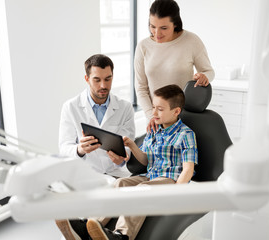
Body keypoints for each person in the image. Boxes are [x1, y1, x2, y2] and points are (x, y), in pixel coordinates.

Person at [57, 84, 198, 240]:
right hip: (150, 176)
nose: (154, 113)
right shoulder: (154, 130)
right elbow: (146, 159)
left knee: (142, 189)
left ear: (176, 111)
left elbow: (188, 170)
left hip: (170, 180)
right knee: (120, 184)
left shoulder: (185, 134)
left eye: (160, 109)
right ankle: (90, 226)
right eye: (153, 107)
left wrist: (178, 194)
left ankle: (121, 235)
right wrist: (131, 145)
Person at [135, 0, 215, 133]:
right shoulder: (143, 46)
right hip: (155, 120)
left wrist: (204, 76)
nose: (157, 33)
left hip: (183, 118)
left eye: (164, 28)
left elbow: (209, 71)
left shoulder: (191, 41)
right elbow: (141, 88)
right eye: (152, 26)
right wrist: (151, 116)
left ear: (176, 23)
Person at [58, 54, 135, 179]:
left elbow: (128, 147)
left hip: (116, 174)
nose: (103, 86)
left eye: (108, 79)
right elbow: (64, 148)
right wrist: (80, 150)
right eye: (97, 80)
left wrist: (121, 159)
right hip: (85, 175)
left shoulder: (125, 107)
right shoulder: (70, 107)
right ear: (87, 79)